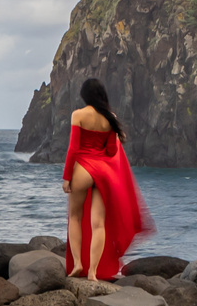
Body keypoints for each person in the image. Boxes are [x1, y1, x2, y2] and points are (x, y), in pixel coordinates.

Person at [61, 77, 150, 279]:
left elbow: (73, 148)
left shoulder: (78, 115)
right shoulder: (110, 117)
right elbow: (111, 150)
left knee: (74, 217)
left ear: (85, 96)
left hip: (83, 170)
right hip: (104, 173)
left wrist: (67, 177)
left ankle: (77, 265)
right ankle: (92, 271)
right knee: (98, 223)